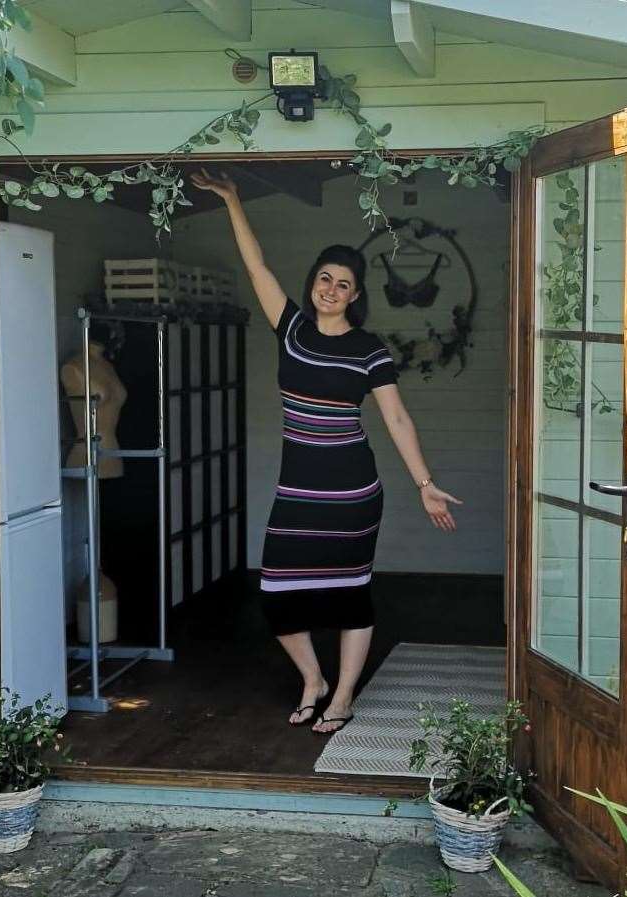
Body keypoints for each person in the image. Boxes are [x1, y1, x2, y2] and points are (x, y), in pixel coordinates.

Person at [191, 168, 462, 735]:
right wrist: (233, 199)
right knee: (278, 592)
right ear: (313, 282)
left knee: (349, 597)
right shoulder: (289, 327)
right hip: (297, 491)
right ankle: (312, 680)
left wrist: (423, 482)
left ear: (356, 295)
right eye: (324, 278)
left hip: (352, 492)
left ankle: (341, 697)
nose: (330, 289)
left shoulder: (369, 350)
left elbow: (394, 416)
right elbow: (256, 264)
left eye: (343, 284)